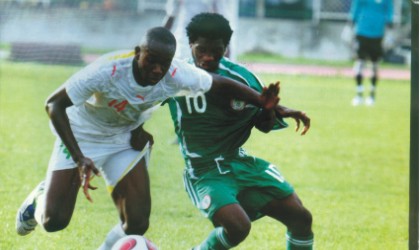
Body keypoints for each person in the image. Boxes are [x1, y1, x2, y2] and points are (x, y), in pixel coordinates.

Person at [14, 27, 280, 249]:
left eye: (163, 64)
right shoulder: (107, 70)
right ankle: (40, 196)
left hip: (124, 139)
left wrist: (263, 102)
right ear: (137, 52)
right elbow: (54, 105)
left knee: (137, 223)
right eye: (150, 60)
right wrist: (79, 156)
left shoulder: (175, 73)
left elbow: (216, 83)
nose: (156, 69)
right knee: (54, 221)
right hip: (80, 136)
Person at [166, 13, 314, 250]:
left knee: (301, 219)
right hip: (204, 170)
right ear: (190, 43)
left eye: (215, 51)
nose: (207, 57)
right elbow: (141, 100)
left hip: (239, 163)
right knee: (238, 227)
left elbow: (264, 126)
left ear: (226, 47)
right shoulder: (175, 77)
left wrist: (267, 110)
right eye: (201, 49)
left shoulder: (243, 78)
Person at [162, 0, 238, 61]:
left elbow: (222, 18)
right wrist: (159, 37)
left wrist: (228, 46)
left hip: (204, 41)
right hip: (182, 41)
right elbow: (171, 16)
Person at [350, 0, 393, 106]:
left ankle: (372, 95)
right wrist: (350, 25)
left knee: (375, 65)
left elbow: (389, 11)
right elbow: (356, 8)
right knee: (360, 62)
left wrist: (389, 30)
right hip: (362, 31)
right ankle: (359, 94)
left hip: (378, 33)